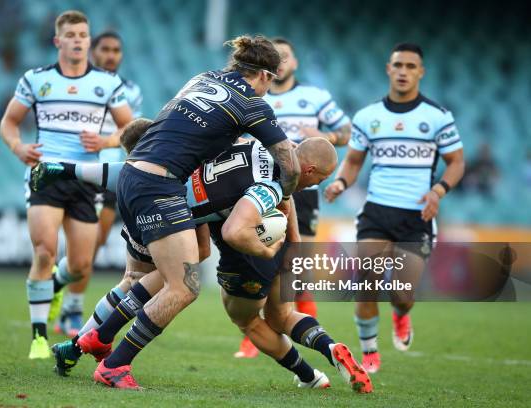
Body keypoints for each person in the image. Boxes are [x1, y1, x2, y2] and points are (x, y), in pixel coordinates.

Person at [34, 120, 372, 393]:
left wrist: (64, 169)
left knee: (163, 282)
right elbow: (237, 230)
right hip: (227, 236)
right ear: (309, 169)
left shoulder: (252, 145)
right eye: (320, 179)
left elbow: (120, 171)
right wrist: (275, 247)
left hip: (168, 204)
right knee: (240, 308)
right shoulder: (270, 183)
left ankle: (95, 340)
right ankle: (320, 361)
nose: (314, 186)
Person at [46, 34, 300, 389]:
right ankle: (114, 365)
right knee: (183, 287)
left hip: (135, 177)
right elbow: (291, 165)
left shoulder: (203, 77)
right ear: (267, 76)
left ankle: (89, 341)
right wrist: (279, 193)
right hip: (160, 188)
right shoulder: (253, 104)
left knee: (150, 278)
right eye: (270, 84)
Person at [0, 10, 133, 359]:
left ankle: (58, 283)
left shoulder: (106, 83)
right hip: (46, 173)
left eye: (82, 35)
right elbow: (9, 123)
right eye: (70, 35)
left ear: (88, 41)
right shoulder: (36, 79)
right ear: (58, 41)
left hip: (85, 178)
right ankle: (39, 338)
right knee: (44, 251)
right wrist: (18, 147)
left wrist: (103, 143)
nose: (77, 40)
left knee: (80, 266)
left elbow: (130, 131)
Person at [325, 43, 465, 373]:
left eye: (410, 66)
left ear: (420, 72)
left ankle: (401, 316)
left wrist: (438, 190)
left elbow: (457, 162)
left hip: (417, 217)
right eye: (398, 65)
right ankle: (370, 350)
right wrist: (340, 183)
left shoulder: (437, 117)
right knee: (366, 284)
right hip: (376, 212)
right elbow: (354, 161)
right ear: (389, 69)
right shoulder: (367, 116)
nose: (403, 71)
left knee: (401, 294)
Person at [230, 37, 353, 358]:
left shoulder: (315, 97)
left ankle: (286, 319)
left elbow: (346, 131)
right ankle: (257, 328)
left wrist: (326, 137)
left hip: (304, 187)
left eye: (286, 57)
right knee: (260, 252)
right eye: (277, 58)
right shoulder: (257, 96)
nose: (282, 63)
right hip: (262, 183)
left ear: (295, 62)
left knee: (298, 260)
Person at [52, 30, 143, 338]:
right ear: (93, 51)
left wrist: (105, 140)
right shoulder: (79, 86)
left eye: (116, 50)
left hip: (111, 173)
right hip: (83, 171)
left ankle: (62, 288)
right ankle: (71, 308)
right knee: (84, 248)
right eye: (105, 49)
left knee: (96, 244)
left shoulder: (130, 90)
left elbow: (130, 130)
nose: (110, 55)